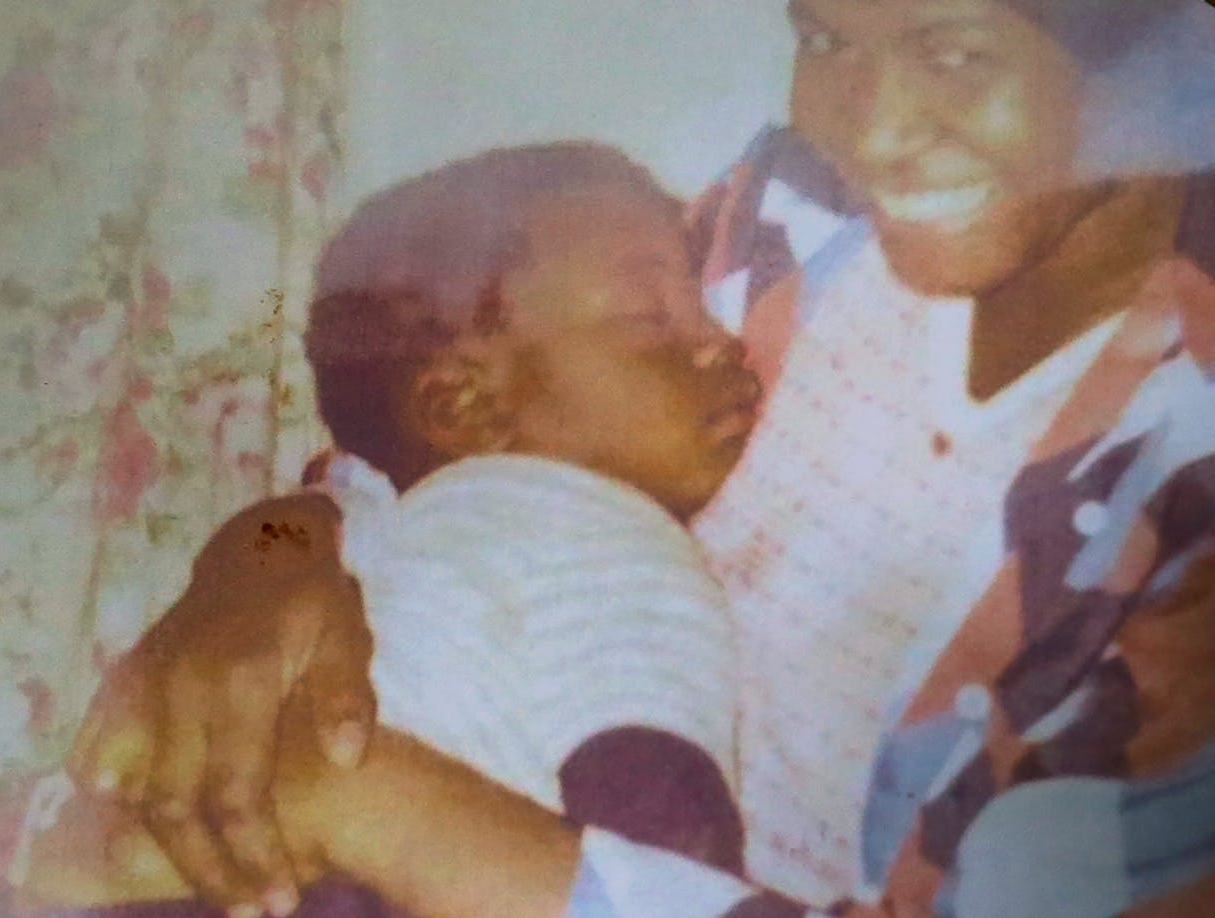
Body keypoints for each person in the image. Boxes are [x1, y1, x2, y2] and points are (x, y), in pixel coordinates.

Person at [69, 0, 1215, 915]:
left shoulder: (1183, 485)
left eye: (955, 51)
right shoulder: (795, 219)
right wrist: (259, 565)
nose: (871, 126)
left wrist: (371, 805)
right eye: (824, 39)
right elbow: (418, 449)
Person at [14, 143, 772, 916]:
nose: (721, 340)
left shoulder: (387, 511)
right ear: (463, 407)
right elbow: (657, 812)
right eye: (651, 317)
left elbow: (323, 494)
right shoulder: (605, 535)